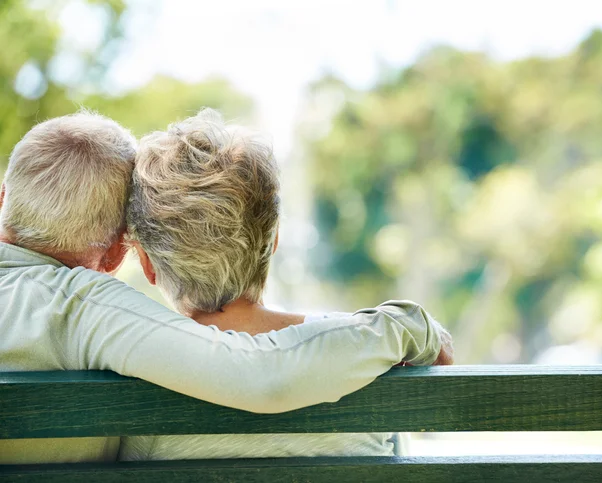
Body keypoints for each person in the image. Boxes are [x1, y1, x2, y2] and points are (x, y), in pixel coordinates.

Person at [0, 111, 453, 464]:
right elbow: (265, 375)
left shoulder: (125, 376)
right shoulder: (80, 306)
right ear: (273, 241)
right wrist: (404, 326)